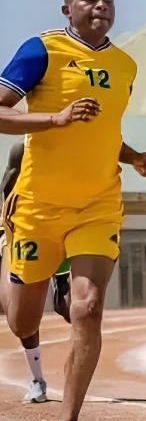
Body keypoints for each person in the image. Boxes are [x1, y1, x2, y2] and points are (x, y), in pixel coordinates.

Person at [0, 0, 146, 421]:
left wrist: (133, 158)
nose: (101, 7)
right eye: (89, 0)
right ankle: (19, 265)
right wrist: (54, 119)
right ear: (67, 8)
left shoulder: (124, 65)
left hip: (97, 204)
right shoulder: (41, 51)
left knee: (88, 309)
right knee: (20, 319)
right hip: (37, 207)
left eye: (108, 0)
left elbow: (104, 131)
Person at [0, 140, 73, 404]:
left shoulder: (73, 152)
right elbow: (6, 189)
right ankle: (37, 381)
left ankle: (81, 353)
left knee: (69, 308)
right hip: (24, 234)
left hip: (59, 231)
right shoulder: (21, 150)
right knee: (22, 312)